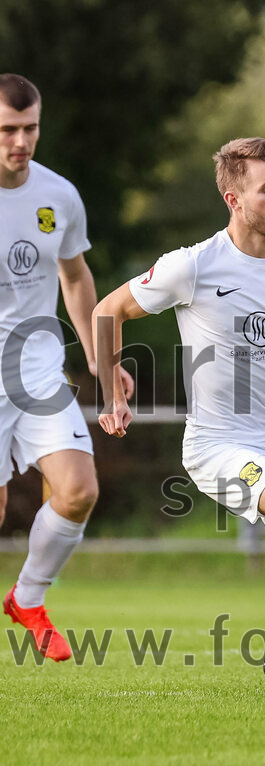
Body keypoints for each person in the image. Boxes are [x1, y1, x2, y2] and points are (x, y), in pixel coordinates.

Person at [93, 138, 265, 685]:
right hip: (216, 443)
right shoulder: (193, 265)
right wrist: (113, 392)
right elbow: (107, 311)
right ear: (233, 198)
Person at [0, 73, 135, 662]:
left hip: (36, 368)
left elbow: (76, 280)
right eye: (7, 129)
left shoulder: (59, 195)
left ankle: (28, 598)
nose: (21, 141)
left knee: (78, 489)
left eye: (30, 128)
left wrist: (105, 364)